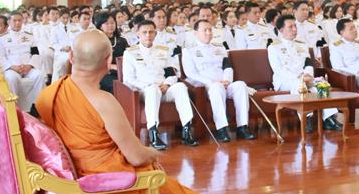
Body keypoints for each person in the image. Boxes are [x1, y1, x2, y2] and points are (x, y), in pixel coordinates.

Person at [36, 30, 227, 194]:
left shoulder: (49, 94)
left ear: (70, 57)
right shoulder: (103, 102)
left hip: (80, 180)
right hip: (111, 187)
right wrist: (153, 154)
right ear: (108, 61)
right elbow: (136, 156)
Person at [122, 20, 198, 150]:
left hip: (163, 88)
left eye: (151, 32)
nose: (148, 35)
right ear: (137, 34)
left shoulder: (163, 50)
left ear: (155, 33)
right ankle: (153, 134)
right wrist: (149, 85)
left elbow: (172, 73)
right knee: (152, 90)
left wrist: (168, 84)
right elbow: (129, 79)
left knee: (180, 87)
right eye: (144, 32)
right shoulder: (130, 52)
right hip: (143, 91)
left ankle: (186, 130)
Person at [182, 20, 255, 142]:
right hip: (206, 86)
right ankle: (222, 129)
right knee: (217, 88)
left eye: (210, 30)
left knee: (240, 85)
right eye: (204, 30)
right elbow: (191, 73)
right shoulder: (189, 50)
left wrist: (227, 80)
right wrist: (211, 82)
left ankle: (242, 127)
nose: (208, 33)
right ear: (195, 33)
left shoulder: (220, 47)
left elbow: (228, 67)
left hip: (224, 83)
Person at [268, 14, 342, 133]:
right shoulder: (273, 47)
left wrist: (308, 75)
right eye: (290, 27)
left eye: (295, 26)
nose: (294, 29)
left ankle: (329, 119)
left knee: (320, 84)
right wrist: (300, 77)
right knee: (299, 85)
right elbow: (278, 69)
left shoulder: (301, 44)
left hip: (304, 77)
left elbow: (308, 62)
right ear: (281, 30)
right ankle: (306, 118)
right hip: (285, 80)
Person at [0, 12, 47, 112]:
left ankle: (36, 105)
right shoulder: (2, 38)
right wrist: (12, 67)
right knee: (11, 78)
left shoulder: (29, 36)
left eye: (19, 20)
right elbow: (1, 57)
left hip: (28, 67)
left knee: (40, 75)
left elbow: (36, 54)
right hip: (12, 68)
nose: (17, 23)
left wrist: (29, 65)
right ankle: (13, 108)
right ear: (9, 22)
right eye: (14, 20)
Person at [94, 10, 129, 93]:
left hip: (123, 70)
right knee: (117, 84)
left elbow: (129, 57)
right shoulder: (96, 41)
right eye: (107, 23)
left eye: (112, 23)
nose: (110, 25)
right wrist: (113, 67)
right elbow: (96, 62)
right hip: (104, 73)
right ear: (100, 26)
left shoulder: (122, 40)